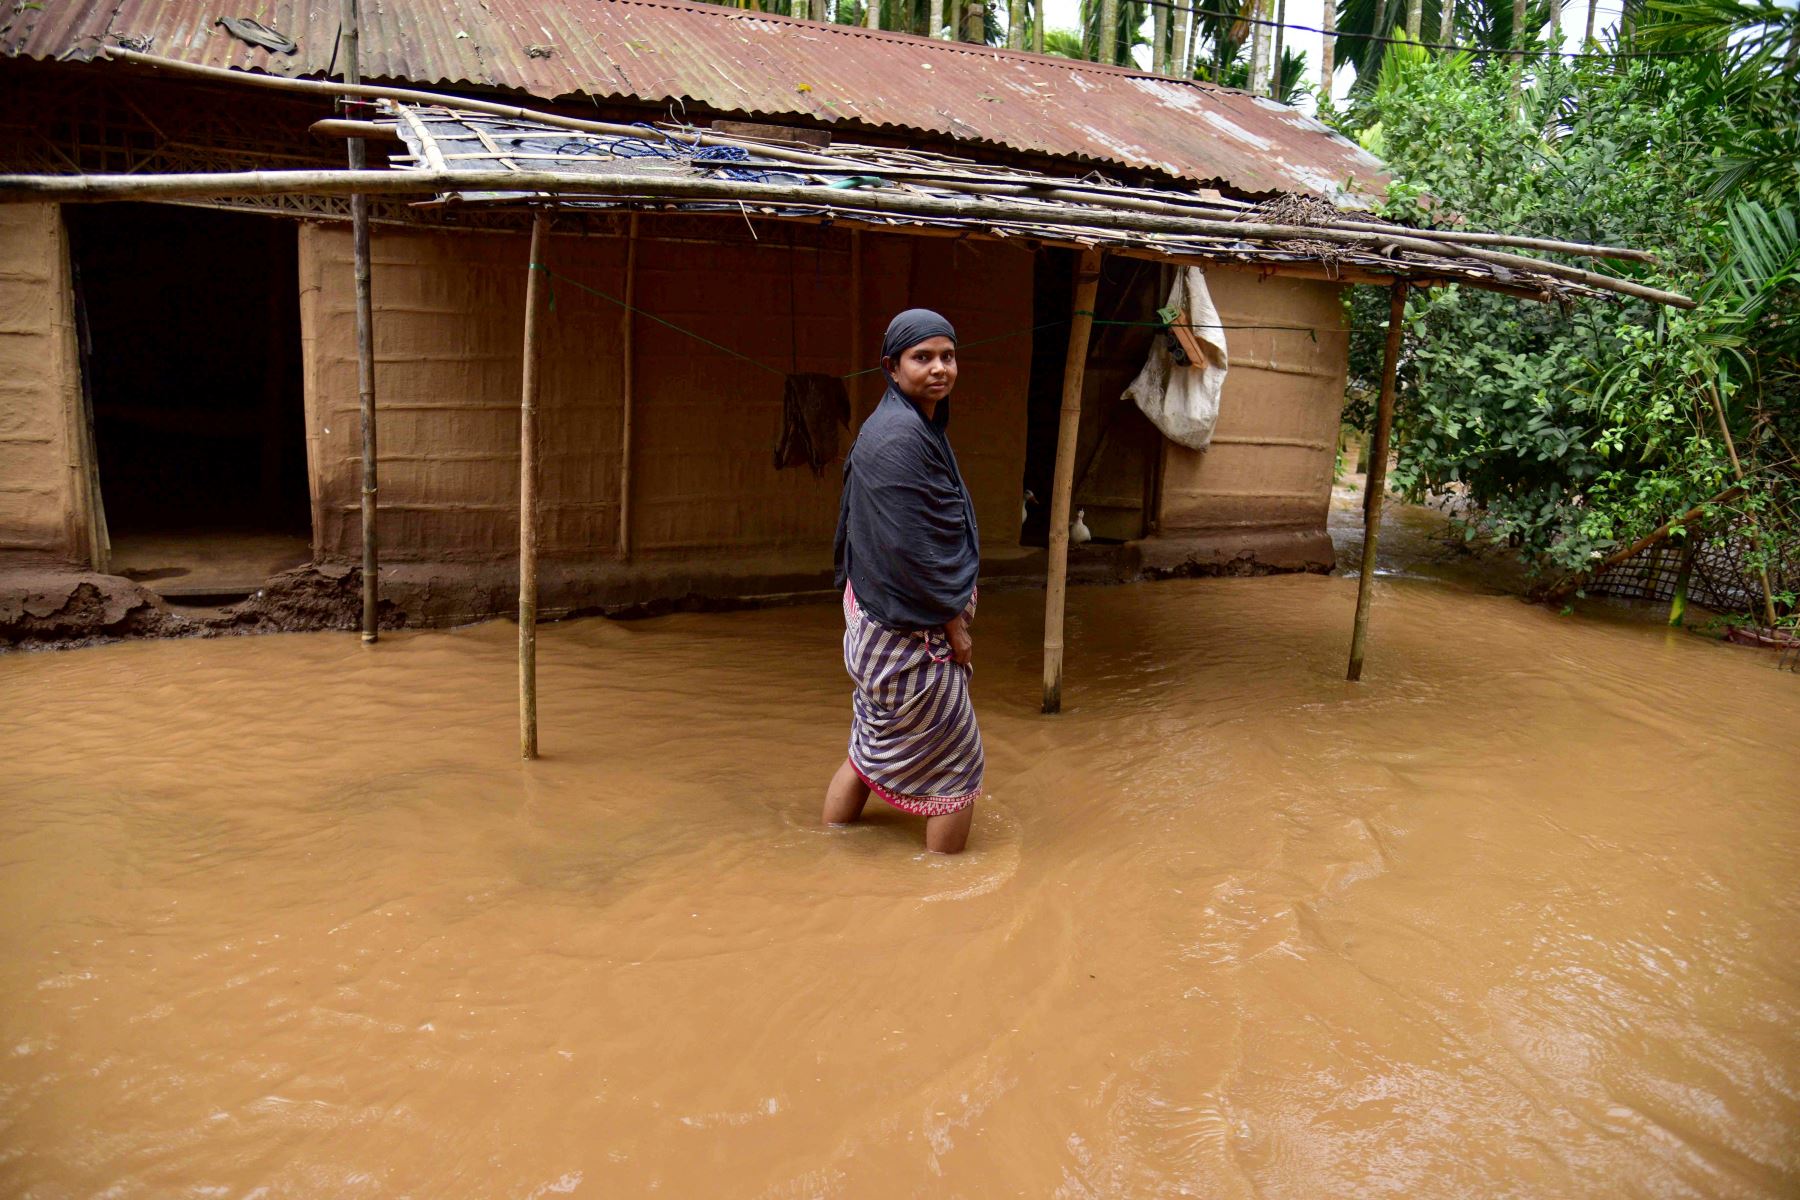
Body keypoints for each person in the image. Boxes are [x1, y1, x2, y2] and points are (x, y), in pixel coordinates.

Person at [823, 309, 982, 854]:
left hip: (873, 623)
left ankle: (830, 848)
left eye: (948, 356)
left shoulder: (906, 425)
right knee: (958, 768)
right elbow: (910, 553)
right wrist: (955, 628)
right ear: (892, 367)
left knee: (868, 748)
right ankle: (946, 893)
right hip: (910, 632)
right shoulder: (897, 439)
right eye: (923, 358)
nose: (939, 368)